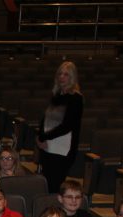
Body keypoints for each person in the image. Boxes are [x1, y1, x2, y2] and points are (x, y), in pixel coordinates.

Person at [38, 61, 84, 192]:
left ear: (72, 77)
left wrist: (44, 137)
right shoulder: (56, 95)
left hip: (62, 147)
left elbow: (68, 125)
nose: (62, 77)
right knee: (47, 182)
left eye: (66, 75)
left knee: (56, 184)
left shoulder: (75, 98)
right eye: (60, 74)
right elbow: (46, 118)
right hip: (48, 144)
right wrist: (40, 137)